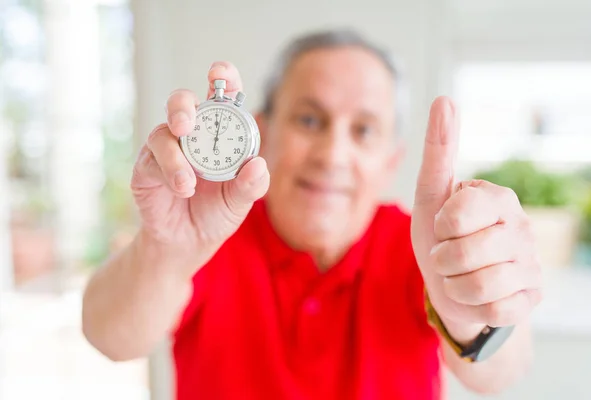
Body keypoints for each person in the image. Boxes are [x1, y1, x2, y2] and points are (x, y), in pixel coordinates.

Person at [82, 29, 542, 399]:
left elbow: (502, 372)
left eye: (363, 130)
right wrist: (168, 250)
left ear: (390, 160)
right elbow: (108, 336)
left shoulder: (423, 246)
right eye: (309, 120)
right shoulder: (208, 232)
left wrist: (467, 313)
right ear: (261, 131)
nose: (332, 154)